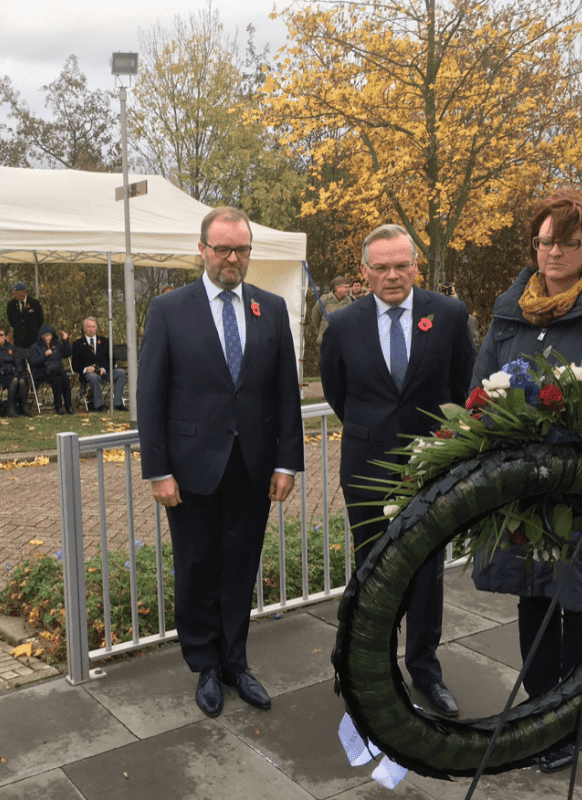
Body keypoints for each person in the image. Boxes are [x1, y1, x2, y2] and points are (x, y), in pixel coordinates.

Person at [470, 188, 582, 773]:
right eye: (545, 241)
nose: (553, 252)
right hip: (525, 488)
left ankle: (569, 719)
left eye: (568, 243)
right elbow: (480, 387)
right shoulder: (513, 308)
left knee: (579, 599)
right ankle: (538, 706)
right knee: (533, 594)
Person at [137, 206, 304, 717]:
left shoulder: (271, 308)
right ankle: (205, 665)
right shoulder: (169, 310)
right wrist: (158, 470)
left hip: (253, 466)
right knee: (195, 567)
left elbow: (286, 393)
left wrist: (287, 462)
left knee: (240, 566)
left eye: (241, 249)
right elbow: (150, 396)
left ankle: (236, 662)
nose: (232, 258)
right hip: (190, 470)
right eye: (223, 249)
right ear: (202, 250)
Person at [320, 223, 474, 720]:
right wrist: (373, 429)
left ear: (416, 266)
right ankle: (375, 668)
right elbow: (338, 393)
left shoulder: (449, 315)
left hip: (431, 464)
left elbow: (463, 386)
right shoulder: (342, 325)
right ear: (364, 272)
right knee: (372, 569)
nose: (392, 275)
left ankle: (425, 670)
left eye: (402, 265)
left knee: (427, 569)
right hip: (366, 465)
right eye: (382, 267)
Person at [71, 316, 126, 411]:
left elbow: (112, 360)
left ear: (96, 328)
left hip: (105, 371)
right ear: (84, 328)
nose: (91, 329)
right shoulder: (78, 344)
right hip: (89, 374)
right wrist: (86, 369)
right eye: (89, 327)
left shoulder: (105, 341)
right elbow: (75, 364)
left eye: (93, 327)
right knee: (93, 377)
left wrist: (104, 369)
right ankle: (99, 405)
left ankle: (118, 403)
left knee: (120, 373)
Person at [0, 325, 31, 416]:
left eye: (1, 335)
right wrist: (1, 372)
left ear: (6, 337)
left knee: (22, 380)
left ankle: (24, 407)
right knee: (14, 380)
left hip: (12, 373)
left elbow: (18, 363)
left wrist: (17, 370)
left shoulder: (12, 348)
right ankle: (11, 408)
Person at [28, 322, 72, 414]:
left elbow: (67, 354)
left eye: (50, 335)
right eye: (46, 336)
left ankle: (69, 407)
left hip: (57, 369)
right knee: (57, 380)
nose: (48, 338)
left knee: (65, 379)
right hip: (42, 371)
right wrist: (45, 356)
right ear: (42, 336)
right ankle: (58, 407)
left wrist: (65, 341)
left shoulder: (56, 344)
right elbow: (33, 362)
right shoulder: (36, 346)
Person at [309, 275, 352, 352]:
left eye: (349, 287)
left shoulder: (348, 301)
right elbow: (315, 316)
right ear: (338, 288)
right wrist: (321, 330)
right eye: (346, 287)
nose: (348, 289)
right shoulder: (325, 299)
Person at [6, 281, 44, 349]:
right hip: (19, 341)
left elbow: (40, 320)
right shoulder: (11, 305)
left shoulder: (34, 303)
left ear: (23, 292)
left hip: (33, 340)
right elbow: (11, 320)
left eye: (16, 293)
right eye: (14, 293)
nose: (14, 295)